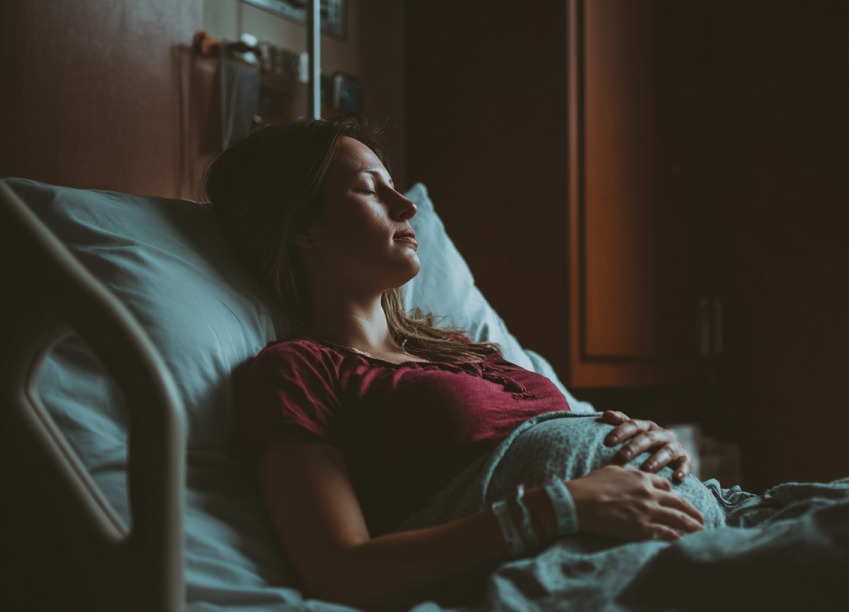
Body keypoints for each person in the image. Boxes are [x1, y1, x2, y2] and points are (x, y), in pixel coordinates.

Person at [205, 118, 706, 609]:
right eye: (370, 191)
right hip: (592, 563)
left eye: (395, 188)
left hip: (698, 517)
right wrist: (558, 507)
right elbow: (341, 570)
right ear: (302, 228)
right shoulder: (299, 370)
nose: (407, 206)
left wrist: (642, 439)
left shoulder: (458, 348)